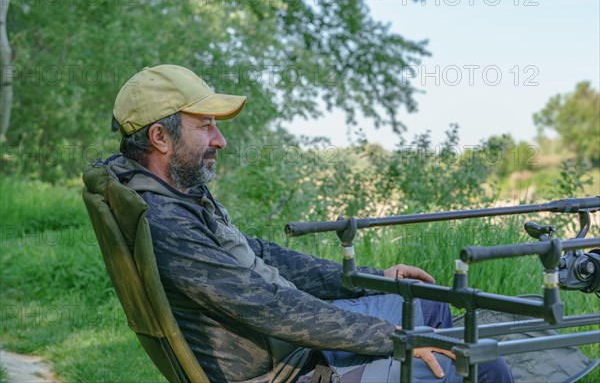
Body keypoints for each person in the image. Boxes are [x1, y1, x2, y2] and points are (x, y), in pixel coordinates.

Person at [105, 64, 513, 382]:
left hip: (290, 345)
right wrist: (393, 339)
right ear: (160, 137)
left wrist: (373, 277)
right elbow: (269, 307)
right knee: (481, 367)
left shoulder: (175, 193)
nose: (220, 140)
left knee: (427, 300)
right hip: (291, 370)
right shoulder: (164, 220)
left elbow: (261, 254)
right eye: (205, 125)